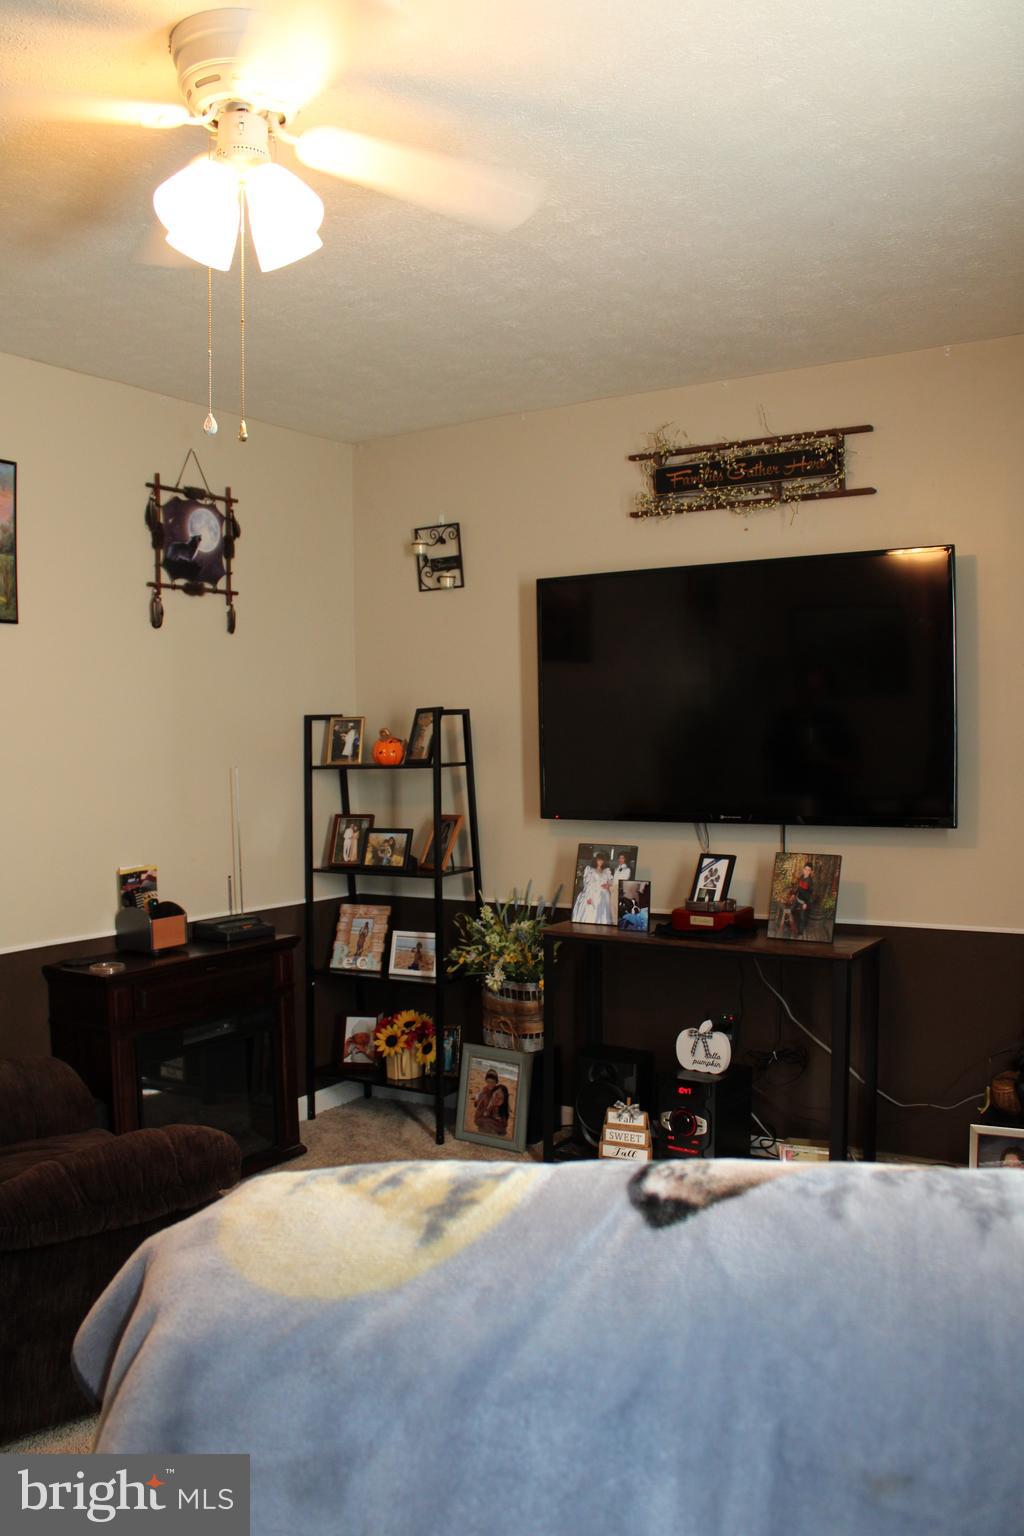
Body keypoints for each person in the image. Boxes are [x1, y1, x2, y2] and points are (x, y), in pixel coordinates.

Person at [571, 853, 614, 924]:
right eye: (599, 860)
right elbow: (587, 884)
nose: (600, 862)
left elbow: (611, 881)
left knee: (603, 915)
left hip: (604, 896)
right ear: (595, 860)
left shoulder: (606, 871)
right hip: (593, 894)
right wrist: (589, 897)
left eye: (602, 860)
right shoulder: (590, 869)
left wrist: (608, 885)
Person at [474, 1070, 510, 1136]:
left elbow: (504, 1108)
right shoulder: (484, 1094)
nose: (490, 1084)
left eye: (492, 1082)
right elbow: (480, 1113)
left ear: (496, 1082)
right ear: (486, 1081)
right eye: (488, 1082)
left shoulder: (498, 1091)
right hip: (485, 1119)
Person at [794, 861, 814, 934]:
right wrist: (794, 894)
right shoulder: (801, 877)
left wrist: (805, 903)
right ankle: (793, 922)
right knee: (792, 910)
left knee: (802, 917)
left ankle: (800, 931)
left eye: (809, 870)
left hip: (803, 901)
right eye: (805, 869)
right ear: (803, 869)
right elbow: (798, 888)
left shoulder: (810, 882)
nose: (806, 871)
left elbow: (809, 893)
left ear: (811, 871)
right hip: (797, 898)